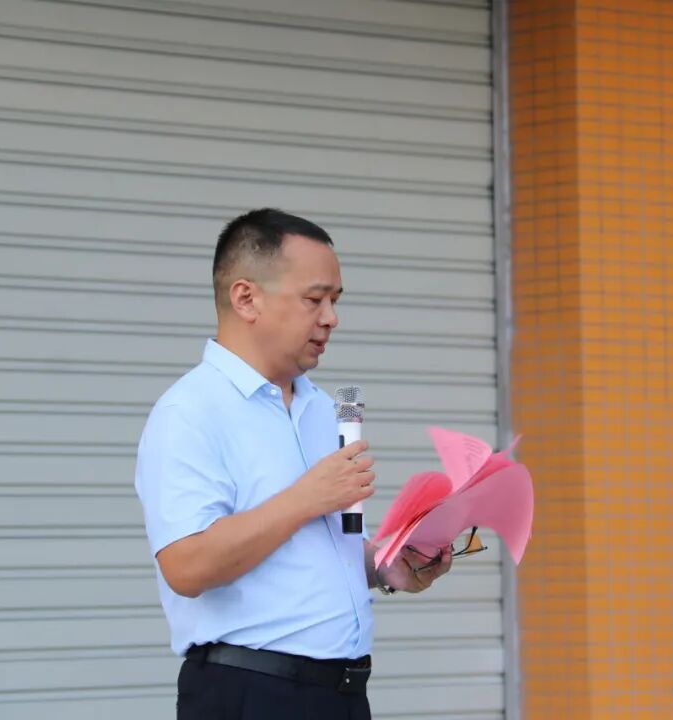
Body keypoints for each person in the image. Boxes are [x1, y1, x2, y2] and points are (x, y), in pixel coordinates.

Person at [134, 208, 453, 719]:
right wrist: (307, 498)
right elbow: (187, 566)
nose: (331, 318)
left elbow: (318, 551)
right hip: (250, 692)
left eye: (335, 301)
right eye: (314, 299)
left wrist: (386, 567)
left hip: (342, 693)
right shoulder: (189, 411)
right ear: (246, 298)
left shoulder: (324, 408)